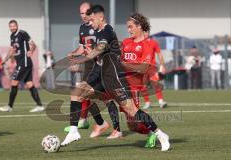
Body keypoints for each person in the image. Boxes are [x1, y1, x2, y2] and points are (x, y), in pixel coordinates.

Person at [65, 5, 170, 151]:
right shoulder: (112, 37)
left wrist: (84, 59)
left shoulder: (108, 31)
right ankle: (74, 131)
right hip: (102, 76)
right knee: (77, 92)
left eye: (92, 20)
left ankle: (160, 134)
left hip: (116, 80)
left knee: (133, 115)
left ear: (100, 17)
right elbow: (109, 56)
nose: (90, 23)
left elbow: (103, 50)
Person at [63, 2, 122, 139]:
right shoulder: (82, 28)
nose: (84, 16)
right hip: (89, 65)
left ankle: (116, 128)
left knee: (104, 98)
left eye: (86, 13)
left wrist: (85, 57)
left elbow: (101, 47)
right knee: (86, 96)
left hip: (101, 66)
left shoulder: (100, 27)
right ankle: (100, 124)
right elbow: (82, 48)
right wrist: (73, 54)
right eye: (81, 13)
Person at [0, 20, 44, 112]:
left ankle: (9, 106)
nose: (12, 28)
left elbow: (33, 44)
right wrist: (4, 60)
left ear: (17, 26)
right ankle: (40, 106)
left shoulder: (22, 33)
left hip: (25, 62)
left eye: (13, 26)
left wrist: (31, 51)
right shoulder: (12, 36)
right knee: (29, 84)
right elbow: (12, 50)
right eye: (10, 26)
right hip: (21, 63)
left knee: (14, 82)